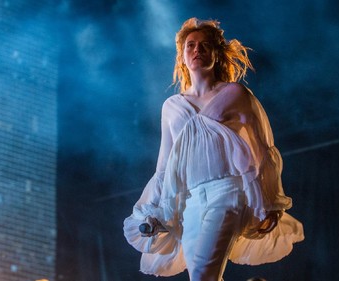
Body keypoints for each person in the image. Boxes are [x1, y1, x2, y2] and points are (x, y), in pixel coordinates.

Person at [123, 17, 304, 281]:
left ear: (217, 55)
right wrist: (154, 208)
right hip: (189, 201)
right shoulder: (172, 107)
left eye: (205, 46)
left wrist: (270, 201)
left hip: (228, 192)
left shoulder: (235, 94)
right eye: (191, 46)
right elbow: (164, 166)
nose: (197, 50)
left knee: (204, 274)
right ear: (182, 57)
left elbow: (262, 149)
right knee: (202, 276)